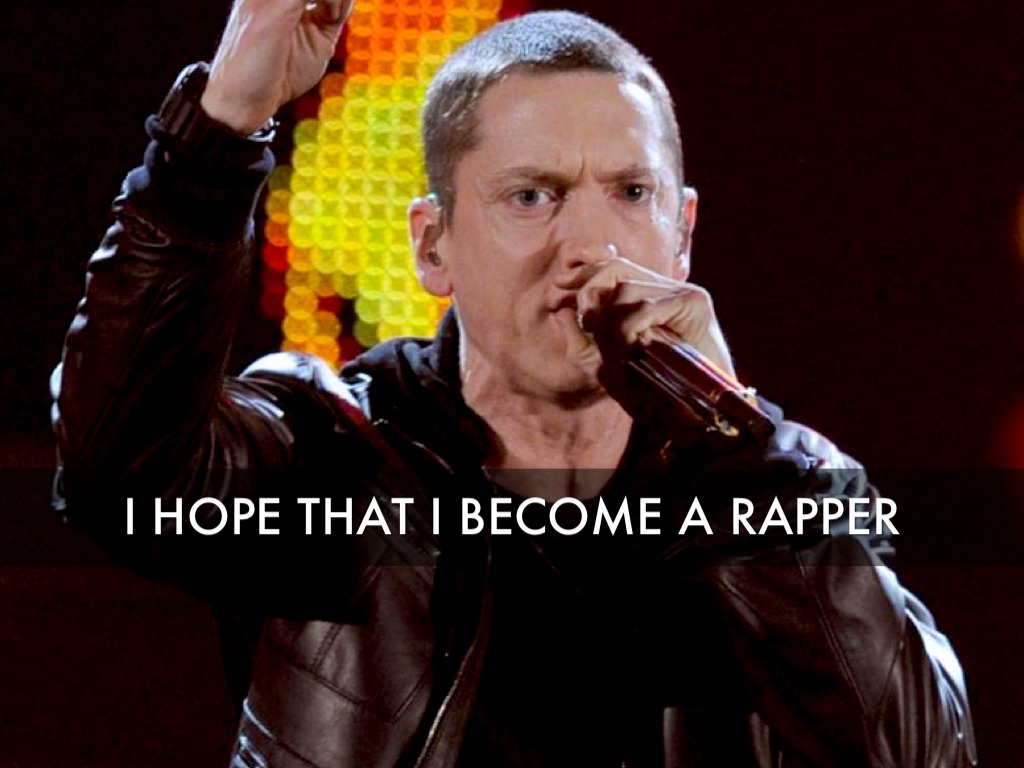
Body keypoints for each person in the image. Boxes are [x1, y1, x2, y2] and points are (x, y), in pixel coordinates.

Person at [51, 1, 977, 766]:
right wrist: (213, 135)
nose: (590, 247)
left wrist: (731, 440)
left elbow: (921, 753)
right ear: (432, 245)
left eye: (632, 193)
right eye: (532, 196)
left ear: (684, 235)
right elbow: (116, 474)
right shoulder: (328, 451)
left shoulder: (779, 484)